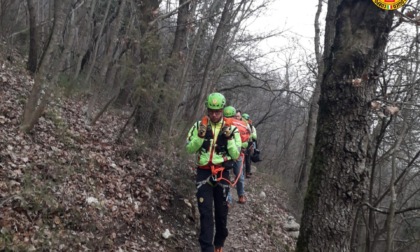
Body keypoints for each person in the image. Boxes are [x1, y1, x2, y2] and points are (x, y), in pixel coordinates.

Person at [186, 92, 241, 252]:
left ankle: (219, 242)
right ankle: (207, 248)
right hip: (203, 173)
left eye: (218, 111)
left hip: (222, 173)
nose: (214, 114)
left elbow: (236, 154)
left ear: (223, 110)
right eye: (211, 111)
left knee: (221, 213)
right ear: (207, 110)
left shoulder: (232, 128)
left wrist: (229, 138)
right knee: (205, 213)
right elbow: (189, 148)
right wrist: (200, 137)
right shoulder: (198, 126)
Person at [223, 106, 250, 204]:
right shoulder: (224, 125)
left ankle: (239, 195)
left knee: (237, 175)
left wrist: (242, 147)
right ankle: (231, 198)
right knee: (229, 175)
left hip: (235, 153)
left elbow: (247, 140)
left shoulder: (242, 126)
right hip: (228, 154)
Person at [242, 113, 257, 178]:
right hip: (241, 142)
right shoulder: (240, 125)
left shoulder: (251, 127)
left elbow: (255, 137)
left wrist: (250, 133)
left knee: (247, 159)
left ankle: (247, 172)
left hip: (249, 144)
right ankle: (240, 174)